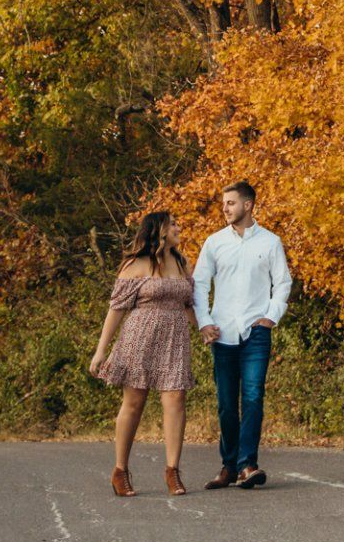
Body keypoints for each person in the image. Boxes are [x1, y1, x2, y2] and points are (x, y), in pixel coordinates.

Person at [192, 181, 292, 490]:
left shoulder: (270, 242)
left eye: (231, 203)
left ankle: (248, 464)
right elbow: (198, 283)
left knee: (252, 398)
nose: (225, 208)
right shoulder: (214, 242)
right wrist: (204, 322)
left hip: (255, 333)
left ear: (248, 205)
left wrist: (271, 316)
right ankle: (229, 466)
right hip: (222, 334)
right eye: (224, 203)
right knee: (225, 403)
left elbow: (283, 282)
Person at [89, 210, 196, 497]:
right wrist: (101, 351)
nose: (178, 227)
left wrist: (205, 329)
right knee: (134, 402)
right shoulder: (135, 265)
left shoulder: (182, 262)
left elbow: (189, 305)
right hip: (140, 337)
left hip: (175, 338)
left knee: (176, 398)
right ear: (159, 230)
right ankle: (120, 471)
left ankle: (172, 471)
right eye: (173, 224)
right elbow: (117, 310)